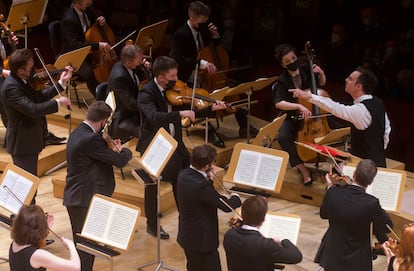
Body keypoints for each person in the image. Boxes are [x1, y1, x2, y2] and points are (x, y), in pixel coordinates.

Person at [137, 56, 226, 240]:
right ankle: (152, 225)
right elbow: (154, 117)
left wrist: (211, 109)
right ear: (161, 78)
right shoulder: (146, 93)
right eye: (172, 76)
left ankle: (187, 223)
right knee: (153, 187)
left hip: (176, 143)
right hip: (156, 146)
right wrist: (179, 114)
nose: (176, 79)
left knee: (183, 184)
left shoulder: (174, 90)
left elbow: (191, 111)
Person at [170, 1, 256, 147]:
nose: (205, 23)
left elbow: (212, 49)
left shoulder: (203, 29)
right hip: (188, 76)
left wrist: (215, 36)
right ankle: (209, 131)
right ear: (192, 19)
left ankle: (243, 126)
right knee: (207, 99)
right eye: (202, 21)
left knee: (232, 92)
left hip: (206, 76)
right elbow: (179, 58)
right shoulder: (180, 34)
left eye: (206, 20)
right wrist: (201, 63)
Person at [63, 100, 132, 271]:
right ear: (103, 121)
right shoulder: (91, 138)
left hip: (78, 196)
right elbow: (120, 161)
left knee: (85, 247)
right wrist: (125, 149)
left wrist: (109, 148)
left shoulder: (80, 131)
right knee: (86, 249)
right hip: (82, 199)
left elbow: (98, 155)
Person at [0, 48, 72, 202]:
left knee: (29, 186)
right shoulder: (11, 88)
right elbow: (33, 109)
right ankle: (27, 221)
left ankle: (27, 219)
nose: (33, 70)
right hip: (22, 144)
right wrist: (58, 103)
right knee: (27, 188)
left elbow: (39, 97)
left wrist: (61, 83)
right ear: (20, 70)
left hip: (29, 141)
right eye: (30, 67)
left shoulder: (21, 81)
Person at [289, 67, 391, 167]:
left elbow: (335, 108)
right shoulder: (377, 102)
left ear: (358, 86)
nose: (346, 80)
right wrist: (378, 153)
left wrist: (308, 96)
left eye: (350, 79)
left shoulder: (361, 110)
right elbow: (387, 131)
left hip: (364, 168)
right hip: (379, 162)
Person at [314, 159, 392, 271]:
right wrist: (378, 211)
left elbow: (323, 214)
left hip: (332, 253)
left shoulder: (333, 191)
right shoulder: (371, 203)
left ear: (354, 174)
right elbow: (388, 227)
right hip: (356, 258)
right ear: (371, 182)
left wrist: (330, 187)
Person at [177, 144, 241, 271]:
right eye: (212, 163)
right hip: (201, 242)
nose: (213, 166)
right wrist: (236, 198)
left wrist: (208, 178)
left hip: (187, 235)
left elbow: (204, 195)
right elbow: (226, 205)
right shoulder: (201, 186)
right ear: (207, 166)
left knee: (193, 267)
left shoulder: (183, 174)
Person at [272, 44, 326, 185]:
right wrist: (298, 106)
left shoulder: (305, 69)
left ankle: (338, 167)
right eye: (287, 62)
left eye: (293, 58)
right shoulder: (282, 80)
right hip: (293, 115)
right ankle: (303, 170)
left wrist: (321, 73)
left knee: (338, 129)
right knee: (283, 137)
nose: (292, 62)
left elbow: (321, 84)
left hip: (314, 113)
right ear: (283, 65)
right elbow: (278, 103)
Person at [223, 195, 303, 271]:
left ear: (242, 215)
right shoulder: (266, 245)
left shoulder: (229, 235)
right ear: (264, 219)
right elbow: (296, 256)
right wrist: (282, 240)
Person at [61, 0, 111, 97]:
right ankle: (101, 99)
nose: (89, 2)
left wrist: (99, 21)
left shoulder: (86, 9)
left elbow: (91, 27)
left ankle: (111, 93)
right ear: (76, 3)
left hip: (87, 51)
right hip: (73, 55)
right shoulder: (69, 19)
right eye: (86, 1)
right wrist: (98, 45)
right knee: (89, 72)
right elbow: (74, 45)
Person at [9, 204, 80, 271]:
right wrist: (71, 245)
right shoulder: (37, 255)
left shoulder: (14, 243)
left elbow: (33, 237)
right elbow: (75, 267)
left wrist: (45, 229)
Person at [108, 44, 148, 142]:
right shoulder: (119, 77)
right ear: (129, 62)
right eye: (139, 60)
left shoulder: (129, 65)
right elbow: (130, 104)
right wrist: (149, 107)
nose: (141, 61)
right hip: (123, 116)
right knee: (148, 134)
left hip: (132, 108)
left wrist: (147, 68)